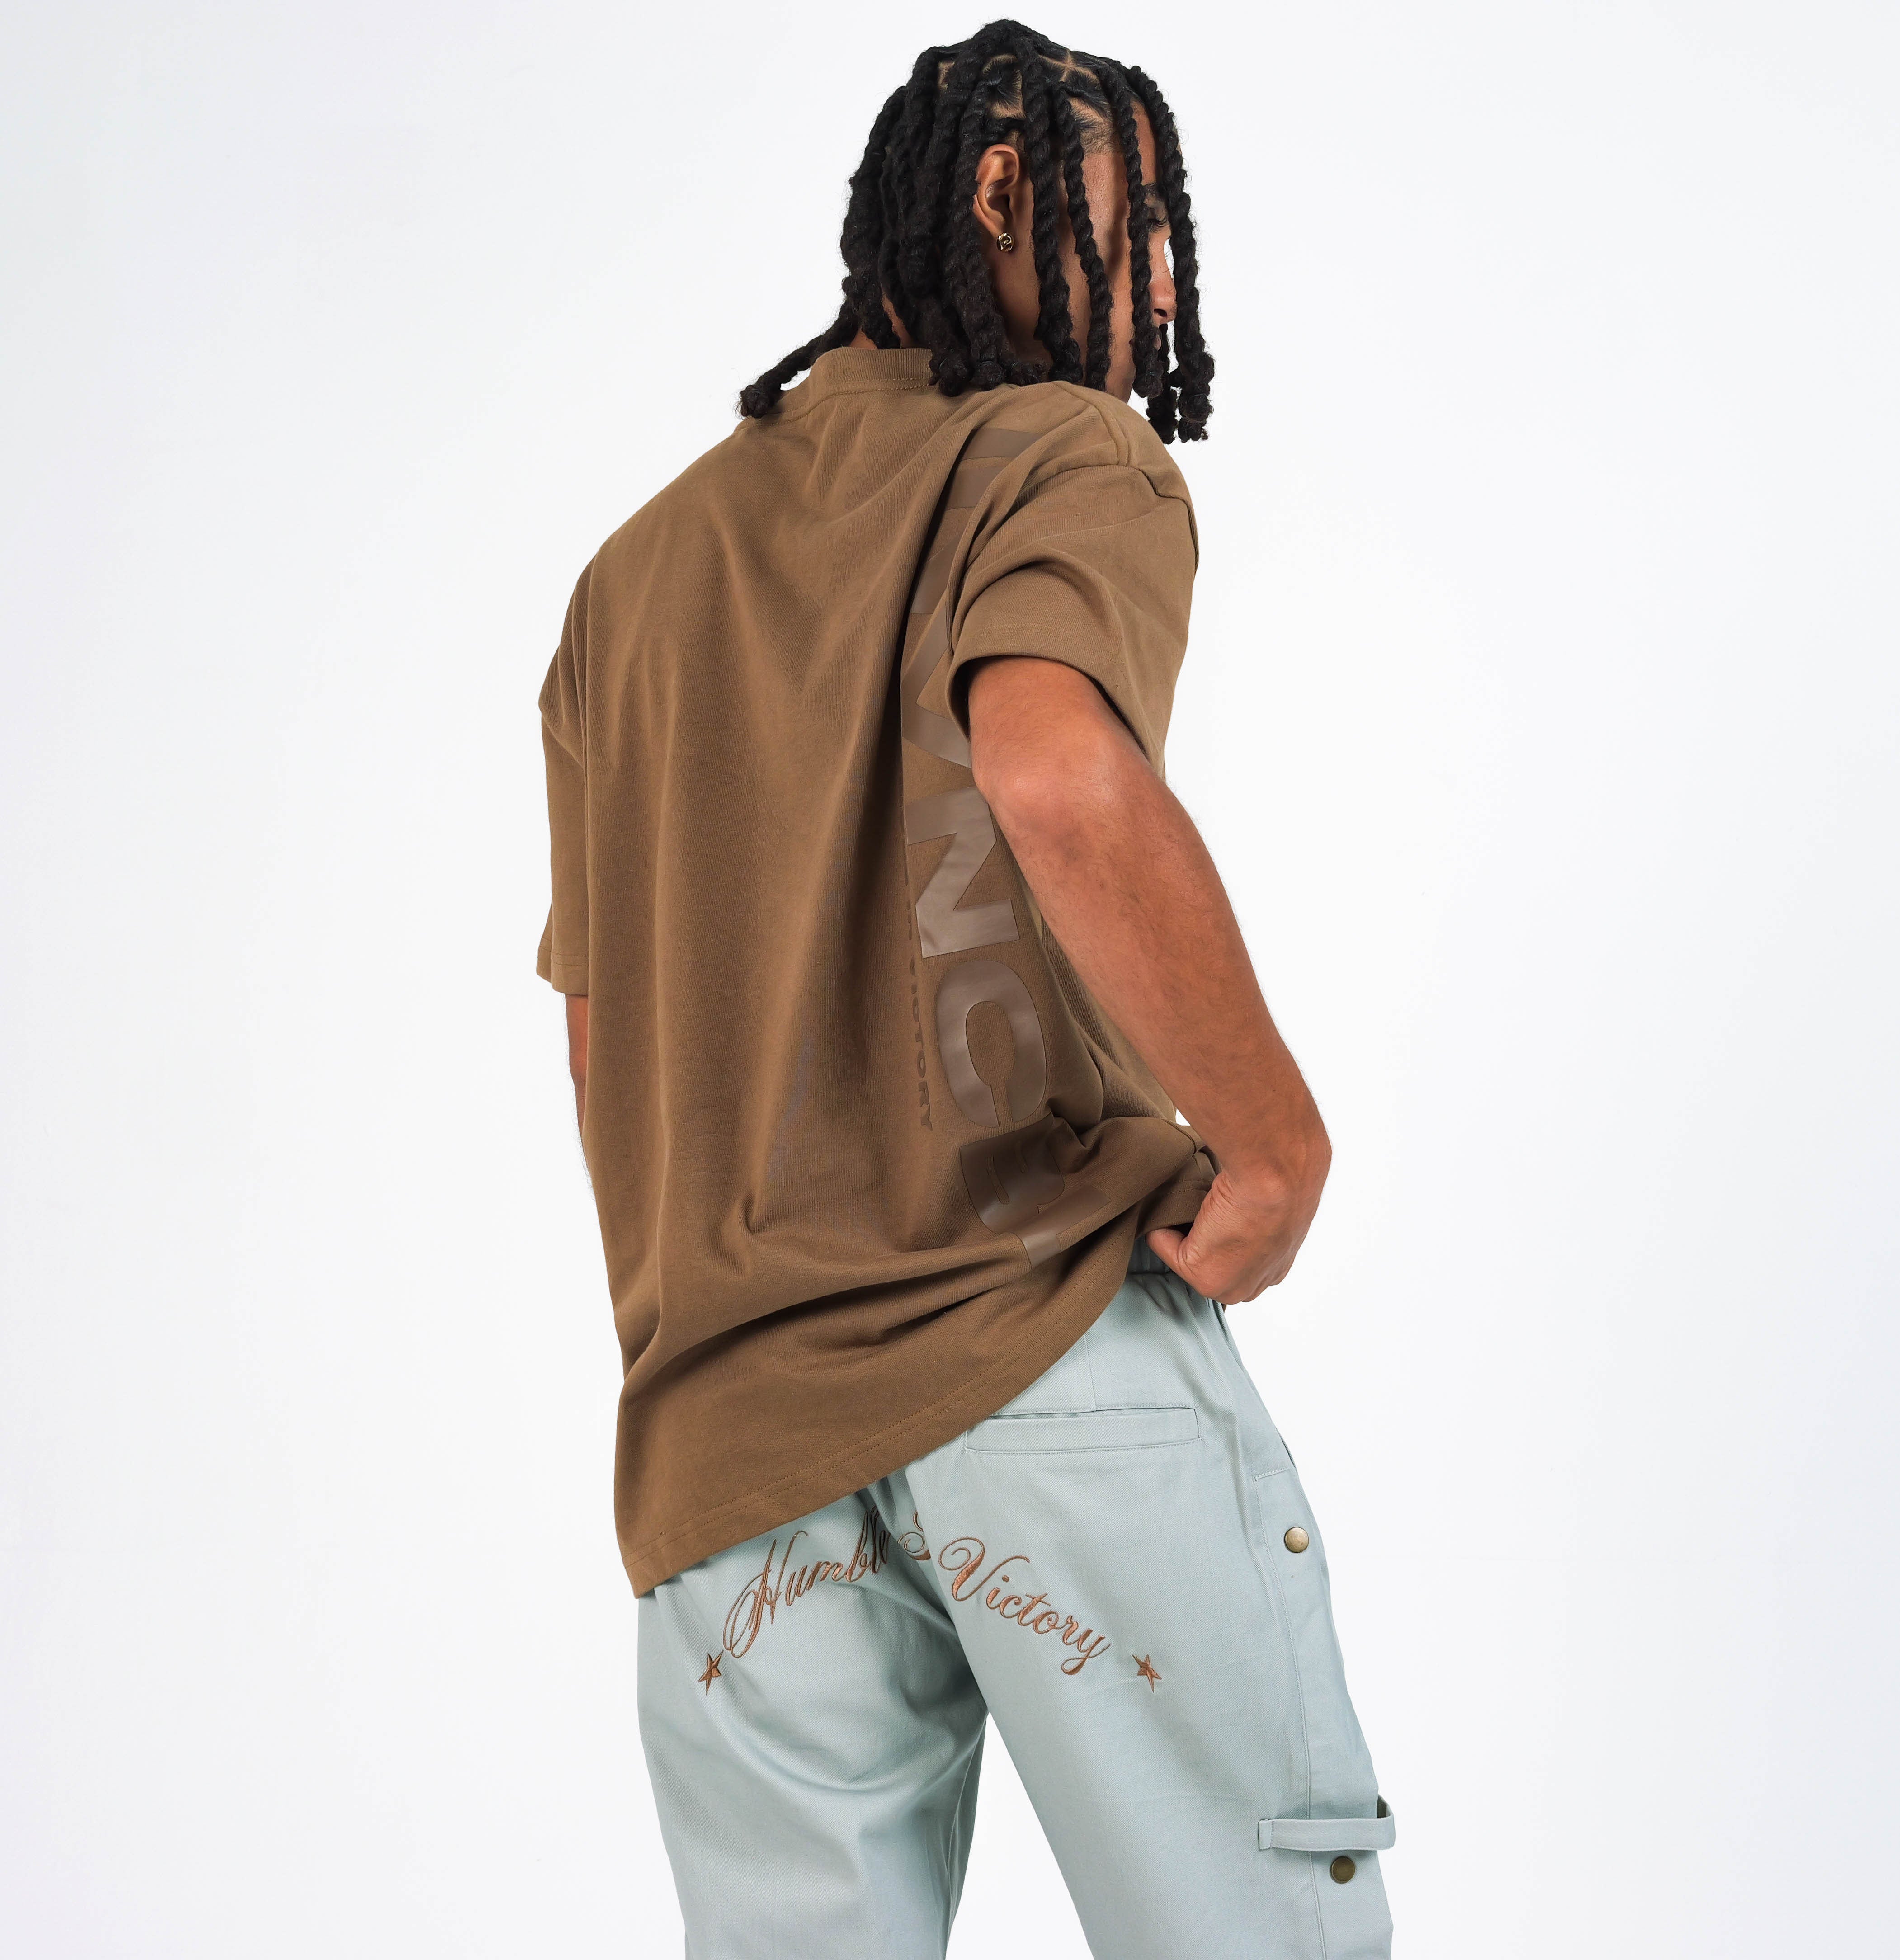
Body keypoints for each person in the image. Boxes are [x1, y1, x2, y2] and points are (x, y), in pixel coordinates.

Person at [535, 21, 1393, 1956]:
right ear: (1003, 197)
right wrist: (1273, 1148)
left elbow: (605, 1040)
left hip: (735, 1447)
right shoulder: (1058, 454)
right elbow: (1055, 773)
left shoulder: (632, 579)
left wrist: (730, 1329)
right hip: (1041, 1337)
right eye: (1141, 230)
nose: (1160, 292)